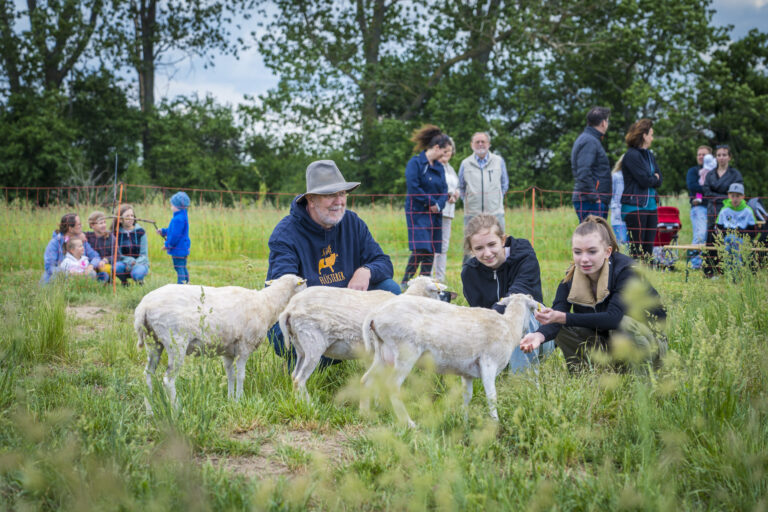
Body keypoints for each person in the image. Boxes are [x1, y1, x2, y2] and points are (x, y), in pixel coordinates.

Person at [266, 159, 400, 367]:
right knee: (298, 338)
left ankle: (375, 361)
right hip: (308, 315)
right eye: (330, 195)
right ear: (311, 199)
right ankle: (306, 363)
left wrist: (366, 270)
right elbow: (283, 290)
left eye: (342, 194)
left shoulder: (352, 223)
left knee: (390, 289)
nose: (339, 201)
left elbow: (383, 262)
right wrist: (329, 311)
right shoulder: (286, 234)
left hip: (347, 312)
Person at [519, 216, 667, 372]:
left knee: (623, 324)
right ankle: (586, 376)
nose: (584, 259)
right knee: (562, 327)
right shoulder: (570, 278)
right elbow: (557, 316)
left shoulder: (626, 271)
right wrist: (539, 335)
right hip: (607, 341)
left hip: (650, 342)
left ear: (607, 252)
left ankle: (641, 378)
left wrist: (562, 317)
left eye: (592, 251)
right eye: (578, 252)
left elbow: (614, 318)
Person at [461, 214, 555, 373]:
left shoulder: (524, 255)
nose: (487, 253)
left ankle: (522, 381)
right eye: (479, 248)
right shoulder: (469, 273)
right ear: (471, 250)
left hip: (536, 335)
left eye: (492, 244)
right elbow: (478, 313)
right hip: (496, 334)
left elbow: (518, 295)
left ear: (503, 240)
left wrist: (494, 316)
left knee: (517, 313)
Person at [401, 124, 450, 286]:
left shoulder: (439, 167)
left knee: (432, 250)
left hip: (435, 213)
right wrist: (431, 202)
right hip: (417, 212)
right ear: (436, 148)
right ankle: (406, 281)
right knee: (421, 248)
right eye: (444, 152)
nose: (444, 155)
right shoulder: (415, 163)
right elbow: (413, 187)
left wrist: (439, 205)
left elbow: (444, 189)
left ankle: (425, 283)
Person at [620, 118, 662, 259]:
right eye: (651, 134)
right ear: (644, 135)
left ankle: (646, 273)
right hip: (635, 207)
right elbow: (644, 180)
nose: (652, 138)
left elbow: (660, 179)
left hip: (651, 207)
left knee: (648, 250)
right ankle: (633, 273)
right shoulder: (631, 155)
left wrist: (654, 179)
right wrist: (654, 178)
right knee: (637, 250)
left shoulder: (650, 155)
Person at [458, 131, 509, 232]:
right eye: (477, 142)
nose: (480, 144)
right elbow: (461, 186)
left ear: (489, 144)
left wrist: (496, 199)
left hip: (495, 213)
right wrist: (467, 201)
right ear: (471, 145)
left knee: (497, 239)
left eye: (483, 141)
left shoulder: (499, 161)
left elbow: (504, 184)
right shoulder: (465, 163)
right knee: (472, 240)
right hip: (472, 214)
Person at [704, 182, 757, 277]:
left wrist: (740, 233)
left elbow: (754, 231)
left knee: (733, 242)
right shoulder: (724, 210)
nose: (735, 199)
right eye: (732, 196)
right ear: (728, 196)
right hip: (727, 239)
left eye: (738, 196)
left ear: (743, 196)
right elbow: (718, 229)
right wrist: (728, 232)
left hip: (742, 239)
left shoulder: (748, 211)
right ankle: (734, 271)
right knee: (730, 241)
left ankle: (732, 272)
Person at [571, 106, 611, 221]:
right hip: (590, 201)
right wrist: (595, 198)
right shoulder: (589, 141)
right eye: (607, 121)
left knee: (596, 232)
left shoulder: (590, 139)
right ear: (603, 123)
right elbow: (583, 172)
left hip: (591, 200)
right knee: (593, 232)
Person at [41, 213, 102, 284]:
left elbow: (96, 257)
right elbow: (49, 267)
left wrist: (91, 266)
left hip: (81, 275)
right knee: (56, 276)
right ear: (70, 228)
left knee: (95, 274)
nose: (81, 226)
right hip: (62, 277)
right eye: (79, 224)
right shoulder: (55, 243)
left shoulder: (81, 240)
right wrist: (68, 272)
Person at [432, 137, 460, 284]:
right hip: (437, 211)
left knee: (444, 246)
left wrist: (456, 194)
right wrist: (447, 195)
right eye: (444, 150)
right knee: (434, 246)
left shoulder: (451, 168)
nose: (446, 153)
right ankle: (430, 277)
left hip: (449, 212)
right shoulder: (434, 166)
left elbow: (456, 187)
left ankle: (440, 279)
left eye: (449, 150)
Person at [685, 148, 715, 269]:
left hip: (714, 207)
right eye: (699, 154)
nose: (701, 156)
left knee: (713, 236)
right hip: (699, 207)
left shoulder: (715, 170)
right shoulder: (693, 171)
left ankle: (711, 263)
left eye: (704, 154)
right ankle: (696, 263)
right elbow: (693, 186)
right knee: (700, 234)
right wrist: (710, 189)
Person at [702, 144, 744, 230]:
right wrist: (724, 196)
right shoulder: (710, 174)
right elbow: (706, 192)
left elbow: (737, 194)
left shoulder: (735, 174)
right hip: (712, 211)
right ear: (716, 157)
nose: (721, 157)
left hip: (730, 210)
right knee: (712, 235)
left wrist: (716, 196)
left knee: (729, 234)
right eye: (719, 155)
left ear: (729, 157)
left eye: (724, 155)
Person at [157, 191, 191, 284]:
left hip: (178, 248)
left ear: (178, 206)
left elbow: (175, 236)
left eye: (172, 205)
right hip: (183, 247)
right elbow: (173, 231)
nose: (171, 206)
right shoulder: (182, 216)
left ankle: (181, 284)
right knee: (182, 266)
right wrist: (163, 231)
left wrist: (167, 245)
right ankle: (186, 282)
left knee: (179, 267)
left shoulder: (177, 219)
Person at [112, 204, 149, 285]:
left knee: (137, 273)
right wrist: (129, 261)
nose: (131, 218)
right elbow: (118, 254)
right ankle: (124, 282)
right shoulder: (116, 234)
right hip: (124, 263)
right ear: (120, 220)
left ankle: (139, 281)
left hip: (140, 263)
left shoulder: (141, 232)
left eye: (132, 215)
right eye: (127, 216)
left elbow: (144, 255)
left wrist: (134, 263)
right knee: (115, 268)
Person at [84, 210, 115, 282]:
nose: (104, 225)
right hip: (91, 264)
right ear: (92, 225)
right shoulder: (88, 236)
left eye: (104, 222)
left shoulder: (110, 237)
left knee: (105, 269)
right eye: (101, 223)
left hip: (104, 264)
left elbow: (117, 255)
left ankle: (108, 280)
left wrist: (105, 260)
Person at [609, 156, 628, 248]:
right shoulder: (616, 176)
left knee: (630, 244)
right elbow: (610, 194)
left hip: (631, 214)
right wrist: (615, 209)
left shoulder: (635, 177)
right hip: (618, 216)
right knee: (621, 242)